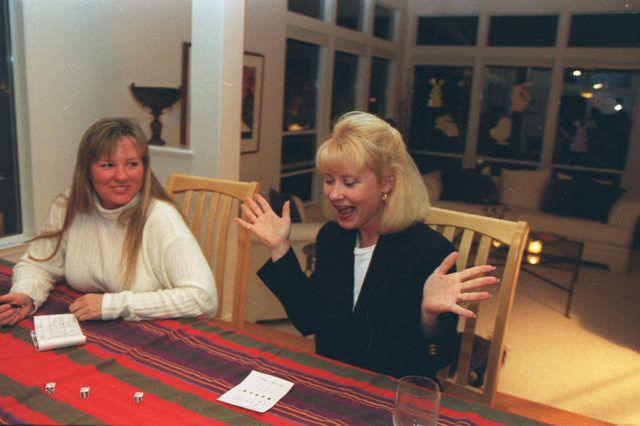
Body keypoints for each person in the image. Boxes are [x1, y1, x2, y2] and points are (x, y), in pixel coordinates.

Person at [236, 111, 498, 379]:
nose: (334, 194)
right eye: (329, 180)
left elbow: (435, 358)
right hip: (333, 382)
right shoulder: (332, 237)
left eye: (349, 182)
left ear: (387, 181)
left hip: (389, 393)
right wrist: (280, 248)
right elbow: (308, 318)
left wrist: (427, 315)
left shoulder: (429, 252)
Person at [0, 118, 217, 325]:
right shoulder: (69, 204)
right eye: (108, 165)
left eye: (132, 164)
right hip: (93, 326)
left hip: (151, 333)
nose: (122, 176)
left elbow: (204, 298)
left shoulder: (161, 216)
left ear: (144, 167)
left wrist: (112, 305)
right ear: (87, 170)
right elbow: (39, 263)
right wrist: (27, 294)